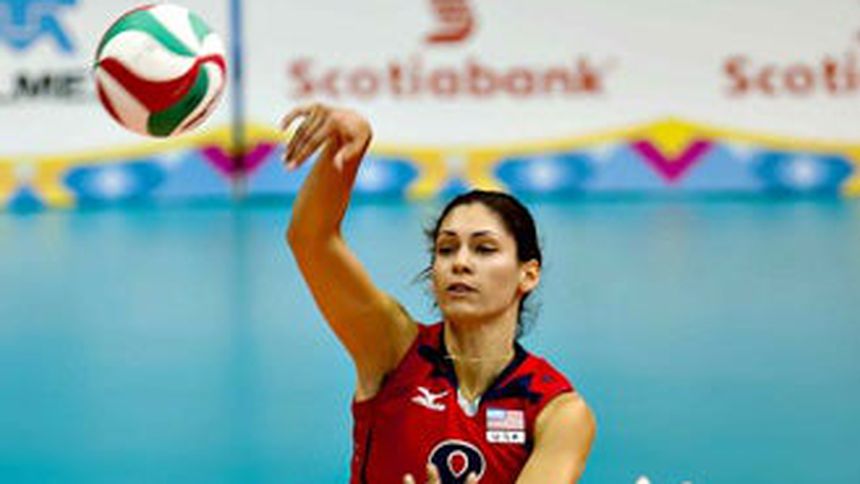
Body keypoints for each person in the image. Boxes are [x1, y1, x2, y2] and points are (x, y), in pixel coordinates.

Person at [283, 103, 596, 484]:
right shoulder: (393, 349)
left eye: (484, 249)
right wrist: (345, 153)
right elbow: (312, 239)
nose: (460, 263)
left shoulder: (557, 411)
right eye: (446, 249)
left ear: (528, 274)